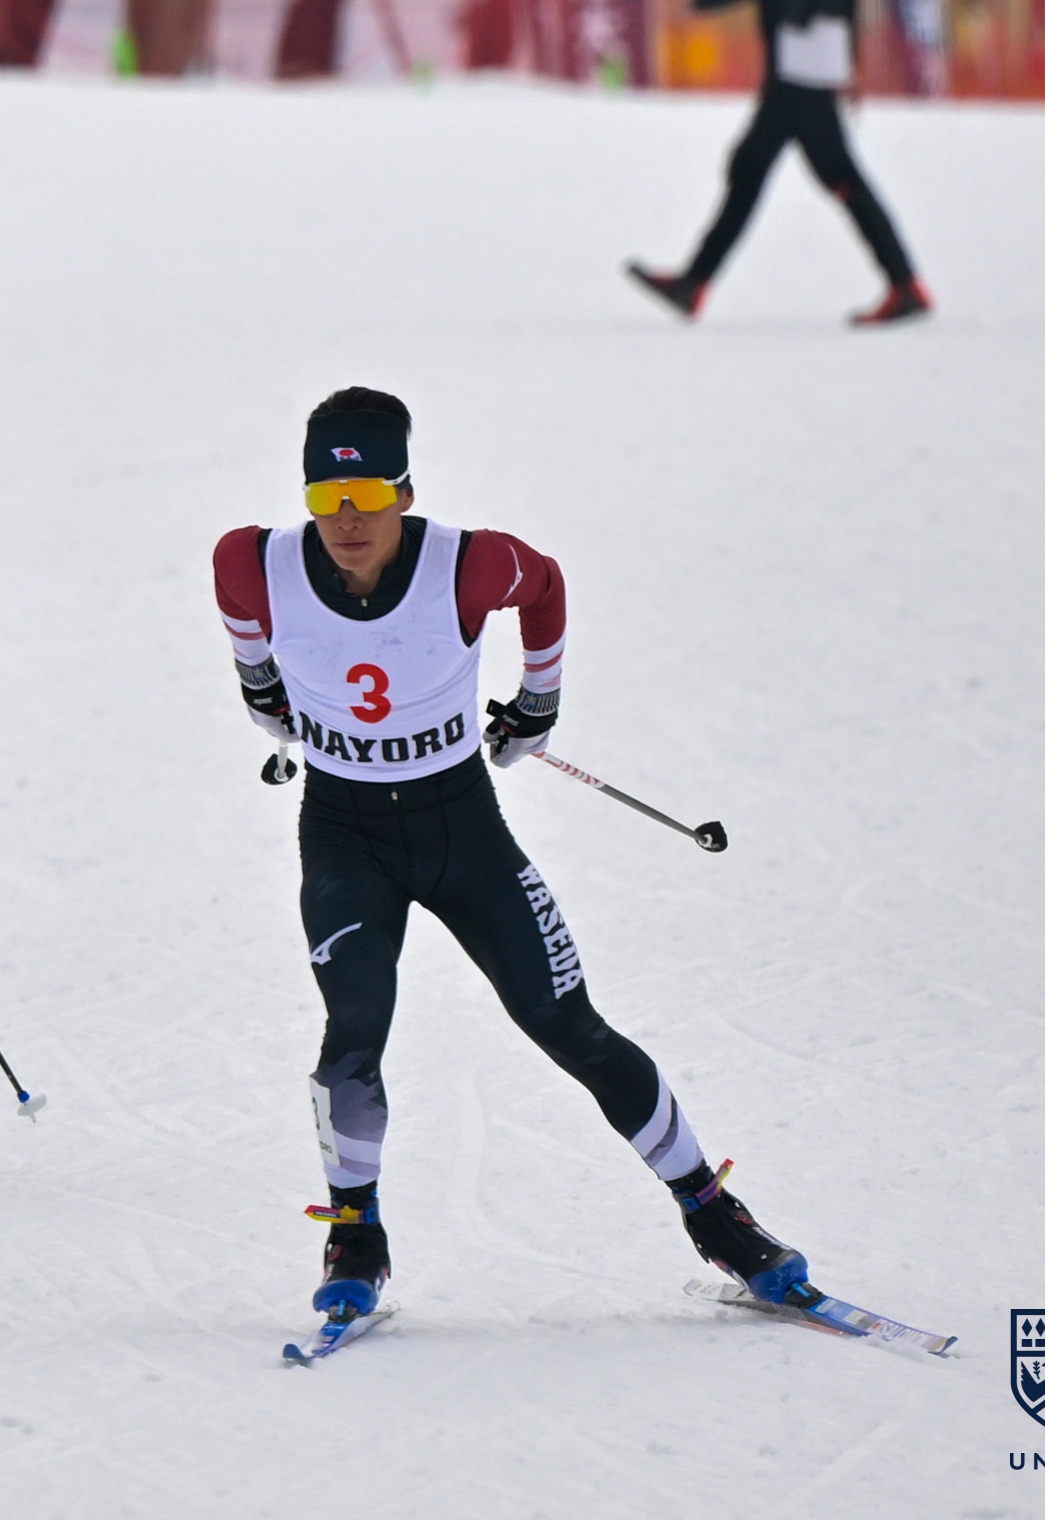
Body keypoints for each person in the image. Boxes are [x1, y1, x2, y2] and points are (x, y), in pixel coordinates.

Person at [213, 389, 810, 1328]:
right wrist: (260, 690)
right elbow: (243, 622)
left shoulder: (469, 562)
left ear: (404, 493)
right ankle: (355, 1237)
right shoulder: (253, 562)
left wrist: (539, 703)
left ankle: (713, 1214)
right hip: (342, 833)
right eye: (326, 498)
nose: (347, 520)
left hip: (461, 831)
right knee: (353, 1028)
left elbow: (546, 588)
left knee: (564, 1021)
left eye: (367, 496)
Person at [625, 0, 929, 327]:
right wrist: (851, 58)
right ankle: (694, 282)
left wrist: (693, 4)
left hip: (795, 53)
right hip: (821, 48)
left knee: (831, 173)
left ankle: (905, 285)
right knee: (755, 166)